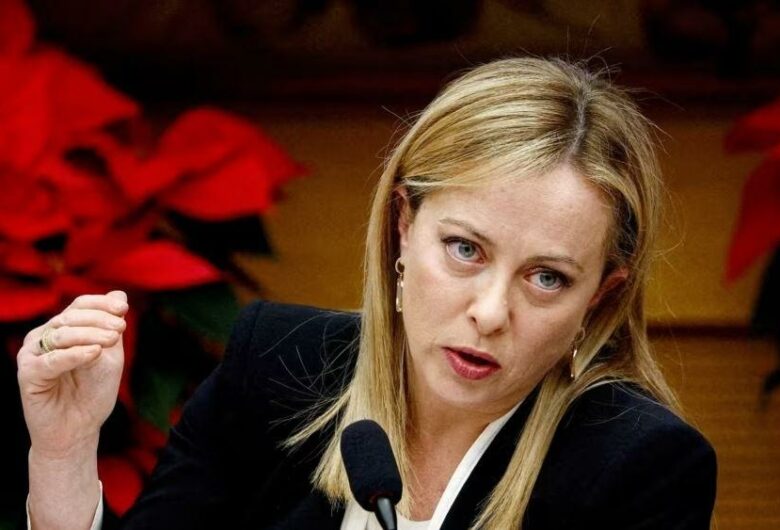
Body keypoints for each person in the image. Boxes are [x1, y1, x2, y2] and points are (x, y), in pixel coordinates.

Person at [17, 57, 717, 530]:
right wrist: (64, 452)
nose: (490, 313)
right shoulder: (277, 364)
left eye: (547, 278)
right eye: (465, 249)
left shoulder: (640, 467)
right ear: (403, 228)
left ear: (599, 298)